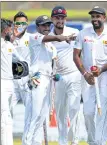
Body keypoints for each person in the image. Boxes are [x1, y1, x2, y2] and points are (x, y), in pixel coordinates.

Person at [22, 15, 76, 145]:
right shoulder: (34, 37)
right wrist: (63, 37)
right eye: (43, 25)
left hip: (49, 80)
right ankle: (27, 142)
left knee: (42, 116)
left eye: (48, 25)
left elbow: (53, 65)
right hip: (37, 78)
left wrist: (55, 75)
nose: (46, 28)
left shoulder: (51, 47)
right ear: (37, 27)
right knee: (34, 115)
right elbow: (54, 37)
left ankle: (35, 142)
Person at [73, 6, 107, 145]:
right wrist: (85, 73)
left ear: (104, 18)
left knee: (102, 113)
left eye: (98, 17)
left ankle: (100, 142)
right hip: (88, 78)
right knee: (87, 113)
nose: (95, 19)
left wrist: (101, 69)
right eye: (93, 17)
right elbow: (76, 56)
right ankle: (92, 141)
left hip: (104, 77)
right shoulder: (83, 34)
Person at [49, 6, 81, 145]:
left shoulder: (74, 32)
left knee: (74, 109)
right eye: (57, 18)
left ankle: (74, 141)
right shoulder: (49, 37)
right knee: (61, 113)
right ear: (52, 19)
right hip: (58, 78)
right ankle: (62, 142)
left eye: (62, 17)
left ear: (65, 19)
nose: (60, 20)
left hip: (74, 75)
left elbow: (80, 53)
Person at [8, 11, 33, 143]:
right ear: (14, 24)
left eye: (23, 23)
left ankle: (27, 142)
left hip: (27, 80)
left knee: (29, 114)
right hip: (11, 81)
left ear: (27, 24)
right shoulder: (7, 39)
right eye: (18, 23)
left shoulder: (32, 38)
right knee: (5, 112)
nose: (21, 25)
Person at [1, 18, 23, 145]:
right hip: (1, 83)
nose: (12, 31)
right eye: (10, 28)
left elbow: (21, 61)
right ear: (5, 30)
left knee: (8, 116)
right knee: (5, 117)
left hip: (10, 83)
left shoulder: (9, 45)